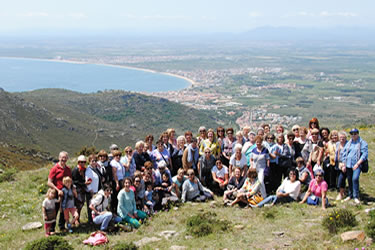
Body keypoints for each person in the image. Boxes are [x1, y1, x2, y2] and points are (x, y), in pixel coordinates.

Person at [341, 128, 368, 204]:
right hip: (348, 164)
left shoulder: (362, 143)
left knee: (355, 179)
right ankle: (350, 195)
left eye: (355, 133)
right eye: (352, 134)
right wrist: (344, 164)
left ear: (358, 134)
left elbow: (364, 155)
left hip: (357, 164)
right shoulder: (349, 143)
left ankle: (356, 196)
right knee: (349, 180)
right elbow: (344, 153)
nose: (353, 135)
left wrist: (358, 164)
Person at [47, 151, 72, 233]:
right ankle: (51, 229)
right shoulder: (54, 169)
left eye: (65, 158)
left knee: (63, 210)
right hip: (56, 193)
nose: (63, 159)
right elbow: (49, 182)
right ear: (59, 158)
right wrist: (57, 190)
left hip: (65, 193)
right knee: (54, 211)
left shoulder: (68, 169)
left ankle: (62, 226)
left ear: (67, 159)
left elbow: (70, 181)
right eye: (62, 158)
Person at [72, 155, 91, 223]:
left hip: (82, 189)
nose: (83, 163)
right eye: (81, 162)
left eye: (84, 162)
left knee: (81, 204)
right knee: (77, 205)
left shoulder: (84, 169)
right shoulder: (75, 170)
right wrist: (84, 183)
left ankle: (77, 219)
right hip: (77, 190)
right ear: (78, 162)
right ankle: (76, 219)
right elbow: (74, 181)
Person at [335, 131, 348, 201]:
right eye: (340, 137)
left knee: (342, 178)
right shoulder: (337, 144)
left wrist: (344, 164)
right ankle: (343, 191)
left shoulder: (348, 144)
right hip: (338, 164)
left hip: (345, 164)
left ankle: (341, 194)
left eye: (343, 137)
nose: (342, 139)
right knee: (339, 178)